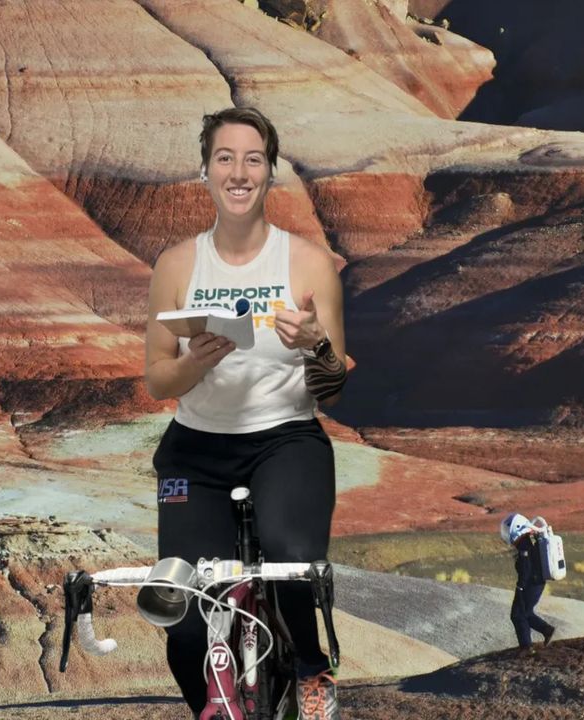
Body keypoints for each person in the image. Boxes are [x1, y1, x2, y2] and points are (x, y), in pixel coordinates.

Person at [144, 107, 348, 720]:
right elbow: (158, 380)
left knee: (288, 559)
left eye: (252, 159)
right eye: (225, 158)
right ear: (205, 171)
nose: (238, 172)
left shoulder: (309, 264)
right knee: (183, 615)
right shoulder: (176, 266)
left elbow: (333, 388)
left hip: (285, 439)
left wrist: (314, 343)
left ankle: (311, 668)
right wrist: (196, 363)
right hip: (195, 447)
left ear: (270, 171)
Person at [501, 512, 555, 654]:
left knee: (518, 614)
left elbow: (526, 567)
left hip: (531, 583)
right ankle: (546, 630)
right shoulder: (532, 538)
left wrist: (520, 586)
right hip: (537, 581)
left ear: (516, 528)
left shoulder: (525, 542)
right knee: (525, 612)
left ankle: (527, 647)